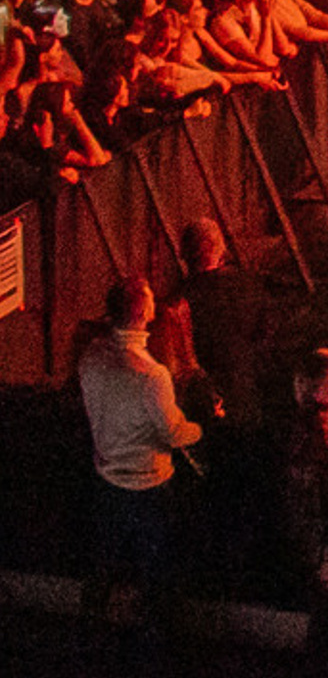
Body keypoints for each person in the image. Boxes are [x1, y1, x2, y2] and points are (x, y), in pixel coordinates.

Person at [77, 273, 200, 642]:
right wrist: (203, 427)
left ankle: (92, 639)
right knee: (156, 570)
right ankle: (154, 647)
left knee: (104, 565)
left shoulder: (92, 356)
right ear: (145, 310)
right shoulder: (152, 375)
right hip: (149, 485)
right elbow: (173, 432)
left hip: (106, 479)